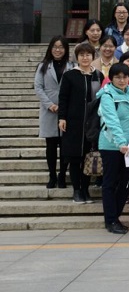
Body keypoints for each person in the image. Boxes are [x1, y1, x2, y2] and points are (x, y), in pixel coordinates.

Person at [97, 63, 129, 234]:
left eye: (124, 77)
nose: (122, 80)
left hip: (128, 146)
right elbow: (111, 120)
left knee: (126, 183)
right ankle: (111, 220)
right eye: (117, 77)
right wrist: (121, 143)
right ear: (111, 78)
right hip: (111, 145)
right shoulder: (107, 95)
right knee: (110, 184)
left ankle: (115, 217)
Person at [58, 43, 104, 204]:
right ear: (77, 57)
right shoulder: (70, 75)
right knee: (75, 158)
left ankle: (85, 189)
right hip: (73, 122)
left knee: (88, 156)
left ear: (93, 57)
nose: (85, 58)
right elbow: (63, 98)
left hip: (93, 123)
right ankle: (77, 190)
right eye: (82, 55)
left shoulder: (98, 75)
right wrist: (62, 117)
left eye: (88, 54)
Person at [34, 36, 74, 189]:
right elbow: (38, 87)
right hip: (49, 112)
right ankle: (52, 176)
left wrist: (66, 106)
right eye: (55, 47)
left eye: (61, 47)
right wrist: (49, 105)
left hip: (66, 112)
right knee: (50, 147)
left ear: (66, 49)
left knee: (65, 147)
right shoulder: (43, 66)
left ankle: (62, 175)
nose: (58, 50)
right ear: (50, 48)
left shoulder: (72, 66)